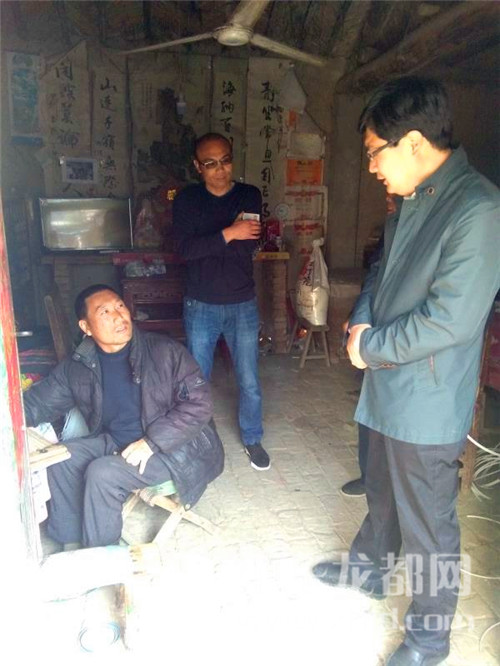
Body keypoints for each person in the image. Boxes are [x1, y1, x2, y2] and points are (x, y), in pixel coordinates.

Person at [312, 76, 500, 666]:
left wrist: (370, 347)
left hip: (427, 396)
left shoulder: (478, 209)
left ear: (413, 142)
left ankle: (429, 638)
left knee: (429, 523)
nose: (371, 166)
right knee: (381, 488)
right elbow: (380, 275)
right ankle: (368, 569)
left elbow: (451, 321)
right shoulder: (412, 202)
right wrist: (362, 321)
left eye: (374, 151)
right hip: (385, 384)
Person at [23, 284, 224, 549]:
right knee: (61, 459)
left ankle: (103, 558)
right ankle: (70, 545)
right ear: (86, 327)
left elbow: (199, 405)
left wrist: (151, 443)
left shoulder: (164, 351)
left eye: (120, 306)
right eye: (104, 312)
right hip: (118, 442)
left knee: (102, 474)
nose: (118, 316)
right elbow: (37, 403)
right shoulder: (78, 365)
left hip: (177, 449)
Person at [173, 132, 270, 471]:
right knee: (196, 379)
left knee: (249, 379)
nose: (220, 169)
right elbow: (185, 251)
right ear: (197, 166)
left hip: (242, 302)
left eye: (225, 161)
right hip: (200, 304)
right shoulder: (187, 200)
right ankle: (195, 439)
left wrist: (213, 242)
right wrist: (229, 232)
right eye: (211, 163)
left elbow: (248, 245)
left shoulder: (248, 195)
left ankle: (252, 437)